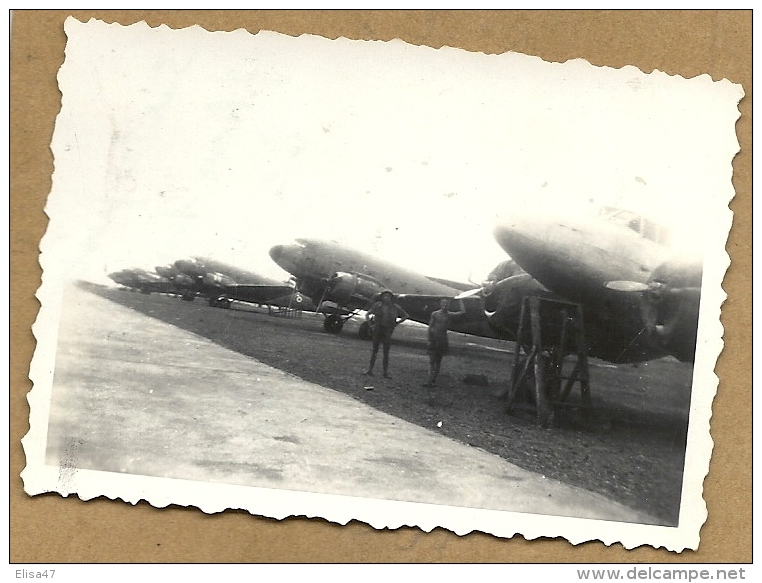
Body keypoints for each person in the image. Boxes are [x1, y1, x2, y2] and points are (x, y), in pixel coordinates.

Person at [362, 290, 409, 378]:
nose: (386, 298)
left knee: (386, 352)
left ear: (391, 298)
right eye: (385, 296)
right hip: (378, 329)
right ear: (382, 297)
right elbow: (368, 314)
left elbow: (405, 315)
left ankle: (385, 372)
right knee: (374, 350)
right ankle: (370, 370)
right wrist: (370, 325)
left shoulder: (395, 307)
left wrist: (396, 323)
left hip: (387, 330)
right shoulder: (377, 305)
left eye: (388, 296)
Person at [423, 297, 466, 387]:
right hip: (434, 338)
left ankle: (433, 380)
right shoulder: (435, 314)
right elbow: (430, 327)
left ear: (449, 305)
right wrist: (429, 340)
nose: (445, 305)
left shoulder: (449, 315)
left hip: (442, 339)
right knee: (431, 360)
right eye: (443, 303)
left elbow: (462, 312)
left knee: (438, 361)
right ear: (440, 304)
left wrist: (460, 300)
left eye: (447, 304)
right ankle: (429, 381)